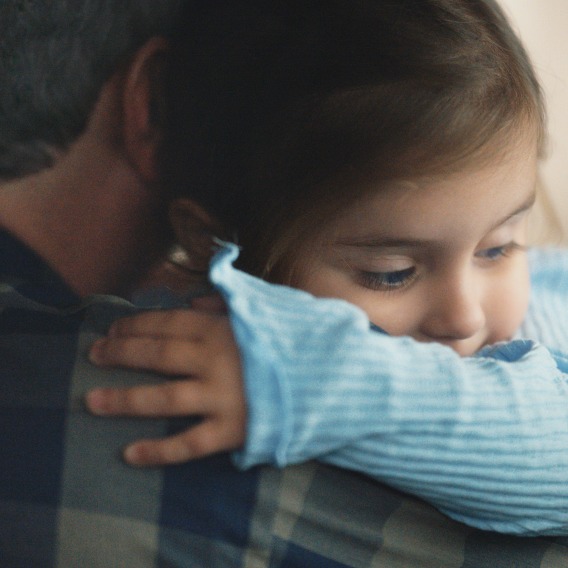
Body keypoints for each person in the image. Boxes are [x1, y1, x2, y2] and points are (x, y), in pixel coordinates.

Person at [2, 2, 568, 567]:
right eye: (389, 273)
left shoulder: (545, 314)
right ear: (214, 245)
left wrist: (309, 387)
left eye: (498, 247)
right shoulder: (171, 332)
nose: (465, 315)